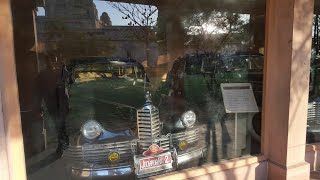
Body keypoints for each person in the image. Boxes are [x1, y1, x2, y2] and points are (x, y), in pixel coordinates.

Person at [37, 56, 69, 157]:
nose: (54, 63)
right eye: (52, 60)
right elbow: (40, 91)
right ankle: (63, 141)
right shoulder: (44, 74)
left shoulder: (60, 72)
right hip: (54, 103)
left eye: (55, 60)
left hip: (60, 103)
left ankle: (62, 143)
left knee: (60, 123)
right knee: (58, 123)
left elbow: (68, 81)